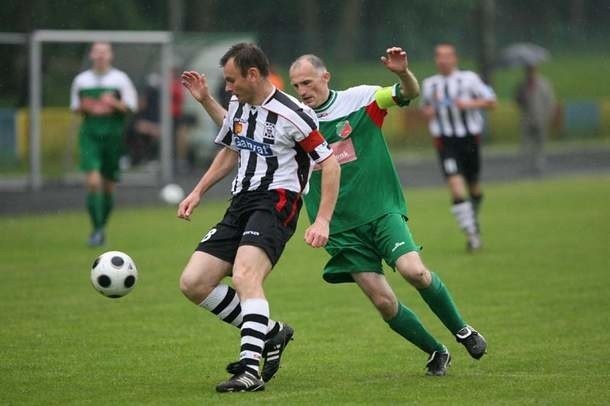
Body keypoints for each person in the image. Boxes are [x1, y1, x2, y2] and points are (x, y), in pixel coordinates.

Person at [288, 47, 487, 377]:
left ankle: (463, 330)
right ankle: (436, 351)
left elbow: (410, 93)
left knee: (415, 272)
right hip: (338, 227)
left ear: (326, 77)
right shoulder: (294, 120)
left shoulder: (361, 99)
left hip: (380, 210)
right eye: (296, 86)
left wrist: (402, 74)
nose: (302, 91)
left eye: (307, 82)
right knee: (383, 302)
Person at [177, 43, 341, 393]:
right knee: (193, 282)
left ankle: (250, 370)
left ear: (253, 74)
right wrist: (197, 192)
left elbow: (330, 163)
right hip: (240, 203)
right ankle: (270, 332)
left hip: (278, 201)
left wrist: (323, 219)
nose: (228, 88)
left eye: (232, 80)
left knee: (245, 275)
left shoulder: (293, 113)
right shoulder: (239, 104)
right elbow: (231, 150)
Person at [420, 43, 496, 251]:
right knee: (455, 186)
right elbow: (425, 108)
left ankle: (472, 218)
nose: (443, 60)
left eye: (447, 56)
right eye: (439, 56)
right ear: (436, 60)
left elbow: (491, 101)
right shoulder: (430, 85)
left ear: (455, 59)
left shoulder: (469, 79)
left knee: (474, 187)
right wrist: (427, 113)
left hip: (469, 139)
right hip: (446, 142)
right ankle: (472, 235)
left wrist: (469, 104)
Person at [70, 42, 137, 247]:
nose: (100, 56)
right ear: (91, 55)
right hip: (90, 136)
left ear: (110, 55)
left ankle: (101, 227)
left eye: (104, 52)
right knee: (93, 182)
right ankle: (97, 230)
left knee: (108, 187)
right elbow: (75, 108)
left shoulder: (120, 79)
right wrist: (85, 107)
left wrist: (113, 103)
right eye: (96, 52)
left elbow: (131, 107)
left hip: (113, 138)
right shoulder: (81, 81)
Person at [515, 64, 556, 175]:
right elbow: (517, 101)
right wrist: (521, 95)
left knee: (540, 143)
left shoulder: (544, 84)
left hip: (541, 118)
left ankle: (539, 166)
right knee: (526, 144)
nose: (530, 73)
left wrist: (550, 116)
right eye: (528, 71)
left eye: (532, 70)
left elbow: (550, 101)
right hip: (527, 118)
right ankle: (526, 166)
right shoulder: (522, 85)